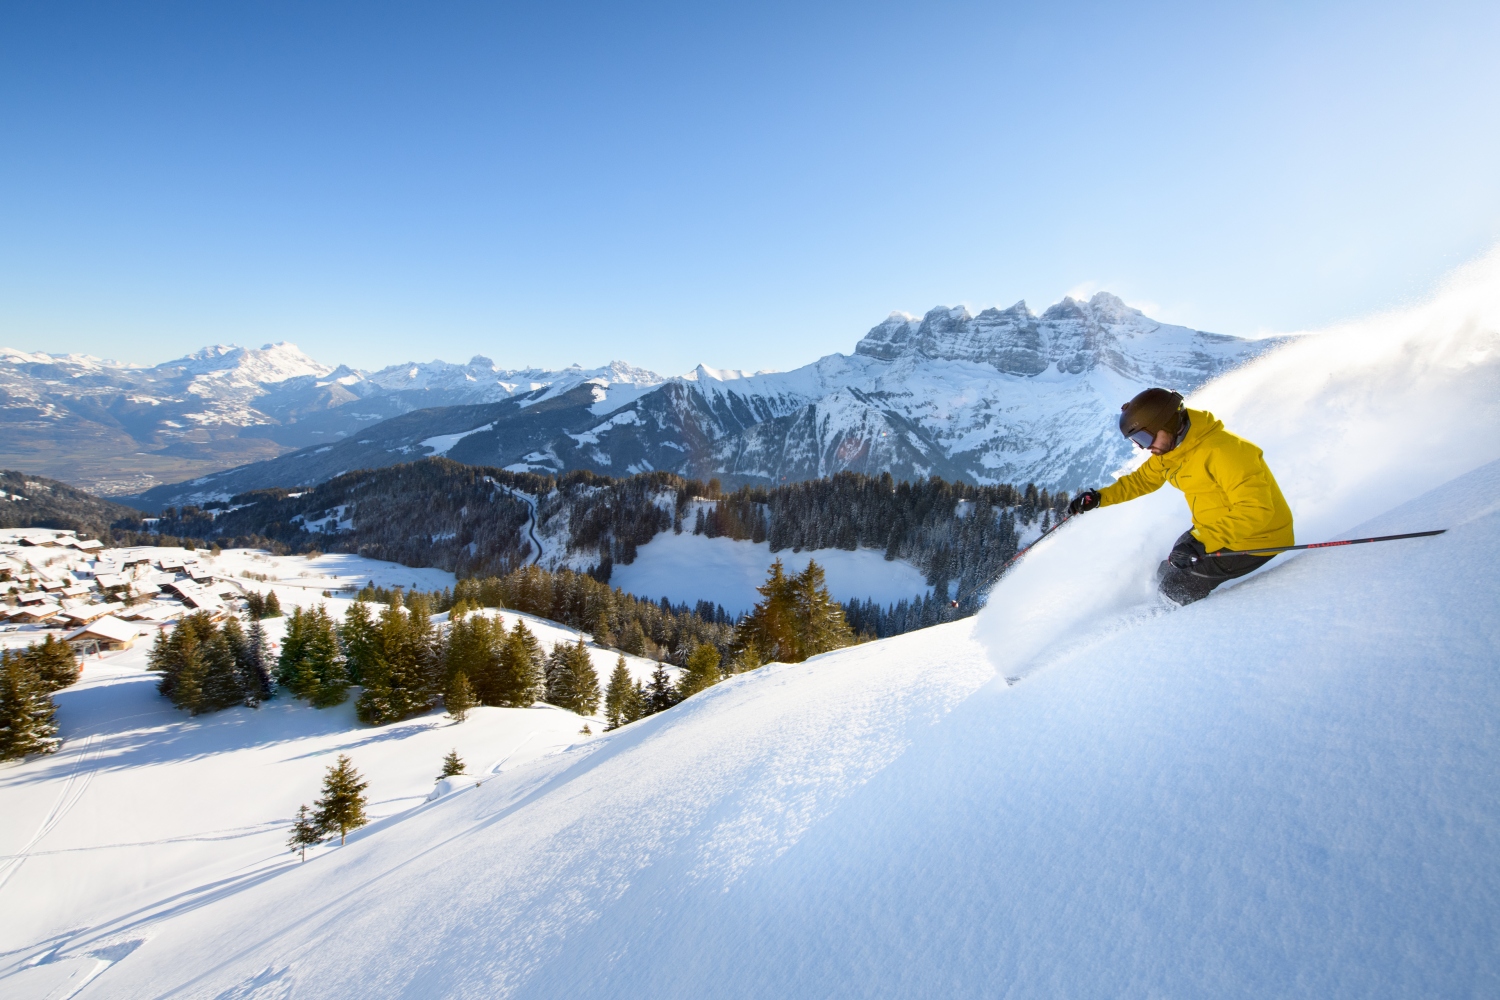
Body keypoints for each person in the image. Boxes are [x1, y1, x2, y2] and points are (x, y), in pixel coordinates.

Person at [1067, 388, 1294, 605]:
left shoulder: (1226, 452)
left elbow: (1256, 509)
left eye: (1146, 439)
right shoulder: (1172, 452)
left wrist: (1203, 541)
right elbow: (1141, 481)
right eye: (1138, 442)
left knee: (1176, 589)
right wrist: (1099, 498)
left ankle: (1167, 623)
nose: (1146, 448)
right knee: (1175, 560)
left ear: (1169, 424)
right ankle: (1166, 587)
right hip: (1214, 530)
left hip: (1258, 537)